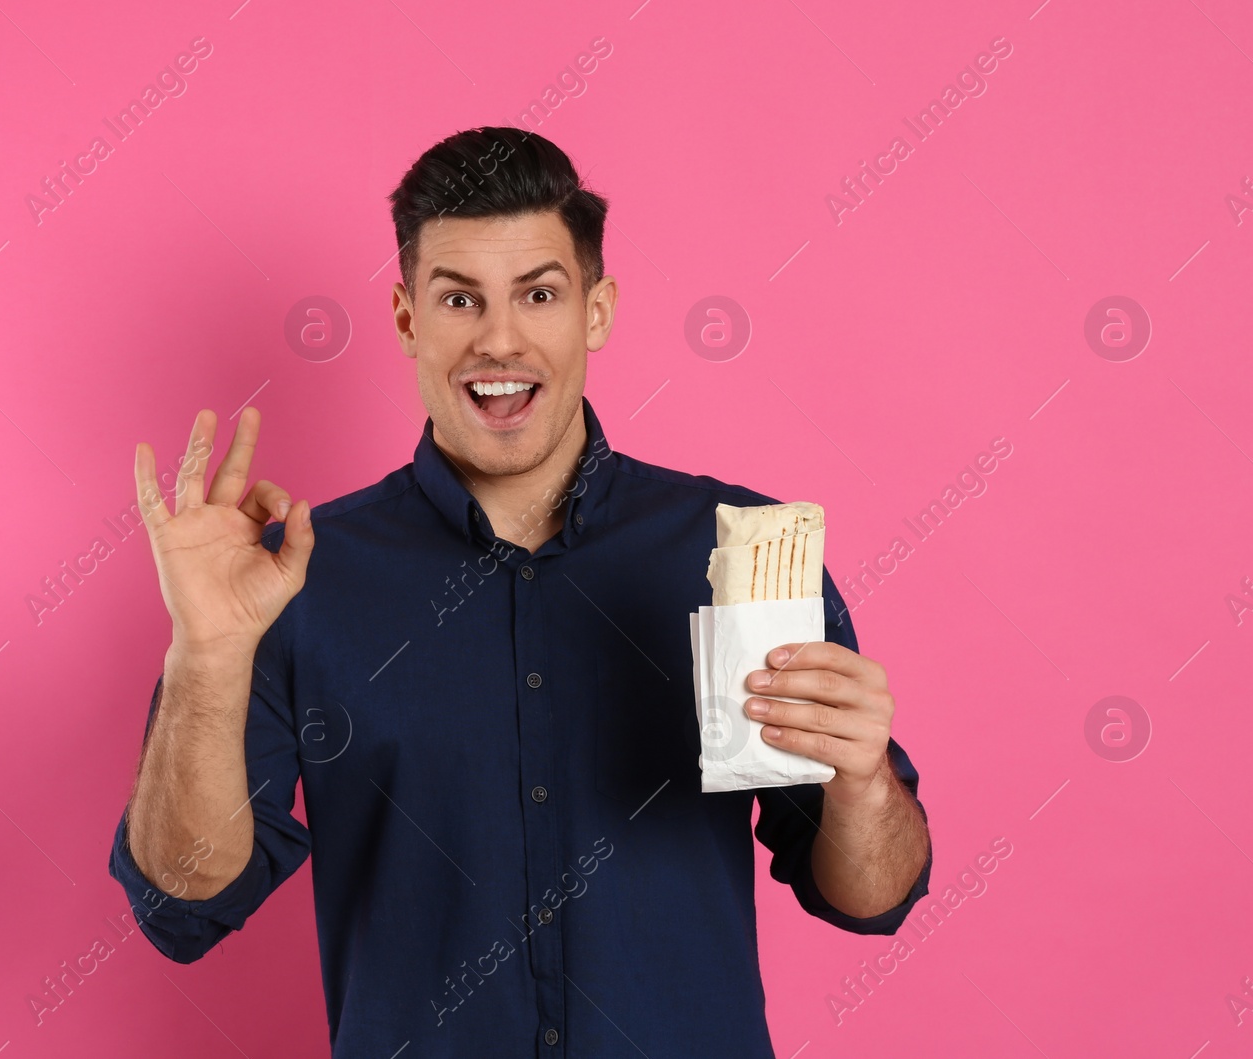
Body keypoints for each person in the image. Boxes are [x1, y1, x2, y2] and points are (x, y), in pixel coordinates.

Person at [108, 126, 932, 1057]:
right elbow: (183, 902)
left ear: (597, 311)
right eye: (459, 298)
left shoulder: (734, 550)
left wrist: (862, 783)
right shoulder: (293, 576)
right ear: (408, 318)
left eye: (538, 293)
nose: (498, 338)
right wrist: (206, 657)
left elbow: (872, 899)